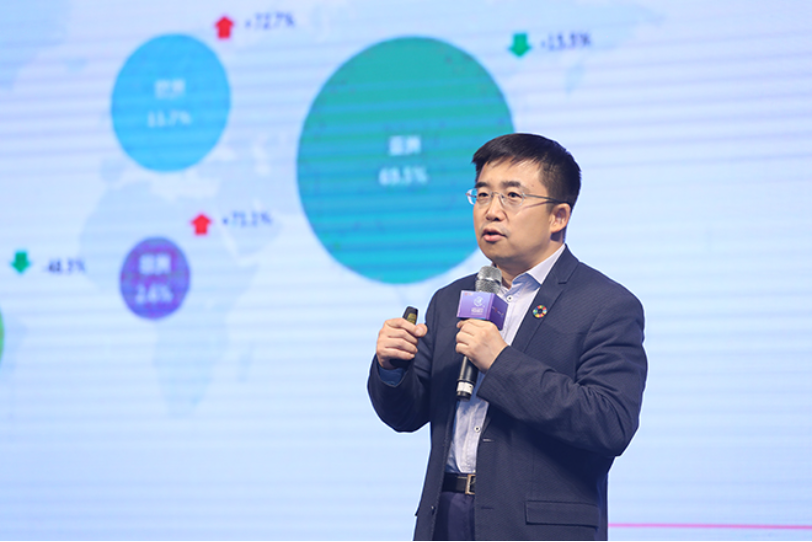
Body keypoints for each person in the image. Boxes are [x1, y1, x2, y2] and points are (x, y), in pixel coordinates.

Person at [367, 133, 647, 541]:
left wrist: (500, 362)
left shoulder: (605, 304)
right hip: (444, 518)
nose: (491, 211)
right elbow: (406, 415)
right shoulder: (450, 299)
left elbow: (610, 424)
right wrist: (392, 367)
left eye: (512, 196)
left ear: (558, 216)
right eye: (482, 195)